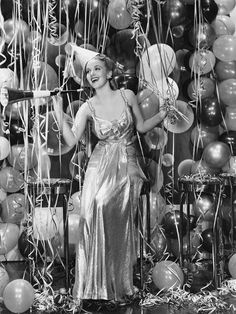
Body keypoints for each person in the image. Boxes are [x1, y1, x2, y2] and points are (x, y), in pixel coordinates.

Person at [53, 53, 167, 306]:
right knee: (94, 212)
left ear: (108, 72)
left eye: (96, 69)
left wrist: (163, 114)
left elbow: (141, 127)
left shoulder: (127, 95)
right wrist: (58, 112)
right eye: (88, 72)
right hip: (98, 165)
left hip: (126, 164)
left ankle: (120, 284)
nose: (92, 74)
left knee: (118, 220)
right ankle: (93, 285)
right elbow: (71, 140)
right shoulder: (87, 106)